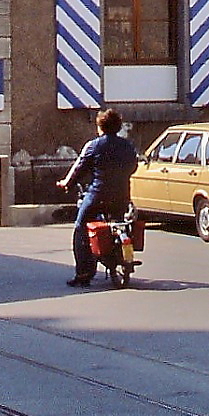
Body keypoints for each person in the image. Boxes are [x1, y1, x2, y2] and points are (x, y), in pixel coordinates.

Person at [57, 107, 138, 287]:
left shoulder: (93, 145)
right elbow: (133, 166)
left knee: (80, 227)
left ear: (100, 127)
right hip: (122, 196)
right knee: (119, 221)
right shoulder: (128, 146)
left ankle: (83, 273)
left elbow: (78, 168)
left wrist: (66, 184)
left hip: (97, 195)